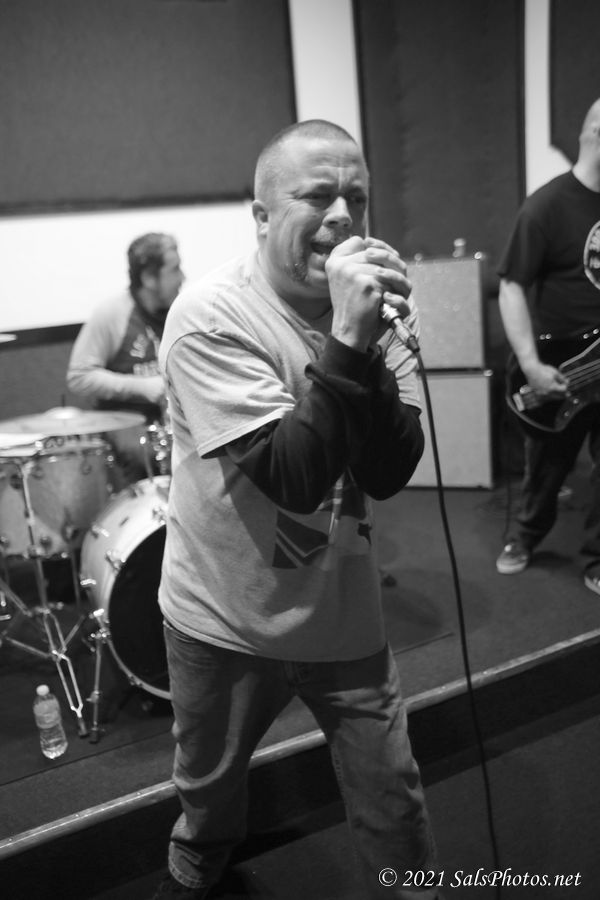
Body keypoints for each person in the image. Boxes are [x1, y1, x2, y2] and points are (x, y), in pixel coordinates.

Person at [152, 120, 440, 900]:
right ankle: (198, 865)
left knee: (394, 801)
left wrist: (366, 341)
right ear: (262, 215)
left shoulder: (376, 308)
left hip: (342, 611)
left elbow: (388, 470)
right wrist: (348, 337)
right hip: (223, 614)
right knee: (208, 790)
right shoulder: (209, 315)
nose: (344, 216)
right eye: (318, 196)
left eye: (357, 197)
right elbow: (294, 476)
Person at [496, 98, 600, 591]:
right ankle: (525, 535)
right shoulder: (547, 205)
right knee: (548, 465)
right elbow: (512, 286)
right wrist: (531, 364)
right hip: (564, 364)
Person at [67, 232, 184, 486]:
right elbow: (79, 376)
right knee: (143, 456)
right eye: (174, 270)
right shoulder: (112, 314)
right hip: (126, 422)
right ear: (149, 278)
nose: (182, 277)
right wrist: (143, 387)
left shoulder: (182, 308)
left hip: (174, 417)